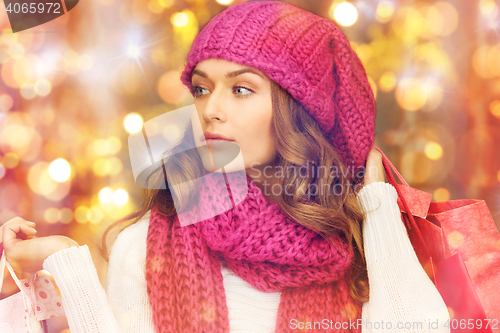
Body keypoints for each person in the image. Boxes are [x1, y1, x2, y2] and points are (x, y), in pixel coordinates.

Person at [1, 1, 451, 332]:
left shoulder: (357, 238)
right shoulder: (152, 238)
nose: (210, 109)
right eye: (201, 89)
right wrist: (65, 264)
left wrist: (374, 200)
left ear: (301, 111)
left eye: (241, 90)